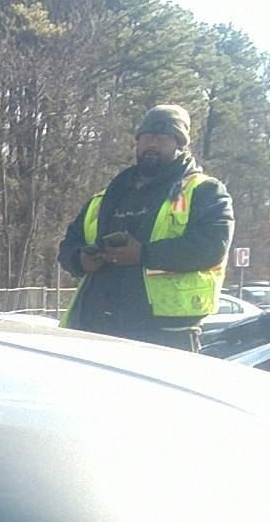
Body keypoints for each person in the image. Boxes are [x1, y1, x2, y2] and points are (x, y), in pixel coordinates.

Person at [57, 105, 232, 350]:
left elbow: (211, 247)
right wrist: (80, 259)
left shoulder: (204, 191)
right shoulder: (109, 195)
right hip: (94, 326)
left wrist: (143, 254)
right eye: (146, 137)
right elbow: (68, 244)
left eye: (162, 138)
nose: (152, 144)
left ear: (179, 144)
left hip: (164, 332)